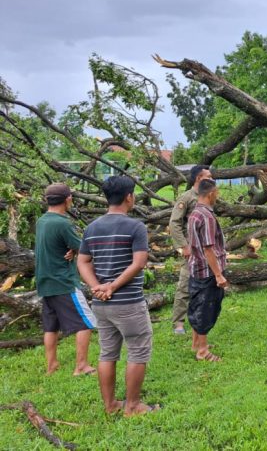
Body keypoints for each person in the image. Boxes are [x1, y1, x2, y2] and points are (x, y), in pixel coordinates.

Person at [77, 176, 158, 416]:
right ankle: (132, 406)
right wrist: (111, 286)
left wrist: (96, 287)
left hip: (101, 305)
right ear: (128, 197)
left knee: (107, 353)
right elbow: (139, 262)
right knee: (138, 351)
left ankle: (111, 405)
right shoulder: (135, 226)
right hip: (128, 303)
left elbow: (82, 261)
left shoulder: (93, 227)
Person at [34, 183, 96, 376]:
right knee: (86, 322)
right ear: (68, 199)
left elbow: (56, 244)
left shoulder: (42, 220)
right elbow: (85, 249)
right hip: (64, 282)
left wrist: (71, 249)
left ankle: (51, 365)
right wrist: (77, 250)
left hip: (45, 282)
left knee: (50, 326)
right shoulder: (62, 223)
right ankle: (82, 366)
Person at [186, 179, 228, 361]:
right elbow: (208, 248)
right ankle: (202, 350)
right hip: (207, 270)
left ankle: (196, 342)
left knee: (197, 304)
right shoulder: (207, 216)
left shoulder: (194, 213)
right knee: (206, 307)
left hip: (195, 267)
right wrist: (218, 274)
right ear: (211, 193)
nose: (217, 196)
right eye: (216, 193)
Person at [170, 165, 213, 335]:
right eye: (208, 176)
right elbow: (174, 223)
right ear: (198, 178)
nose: (212, 179)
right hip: (192, 250)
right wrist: (183, 246)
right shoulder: (187, 198)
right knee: (185, 284)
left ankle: (201, 317)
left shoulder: (209, 196)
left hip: (207, 249)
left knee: (207, 284)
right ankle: (178, 322)